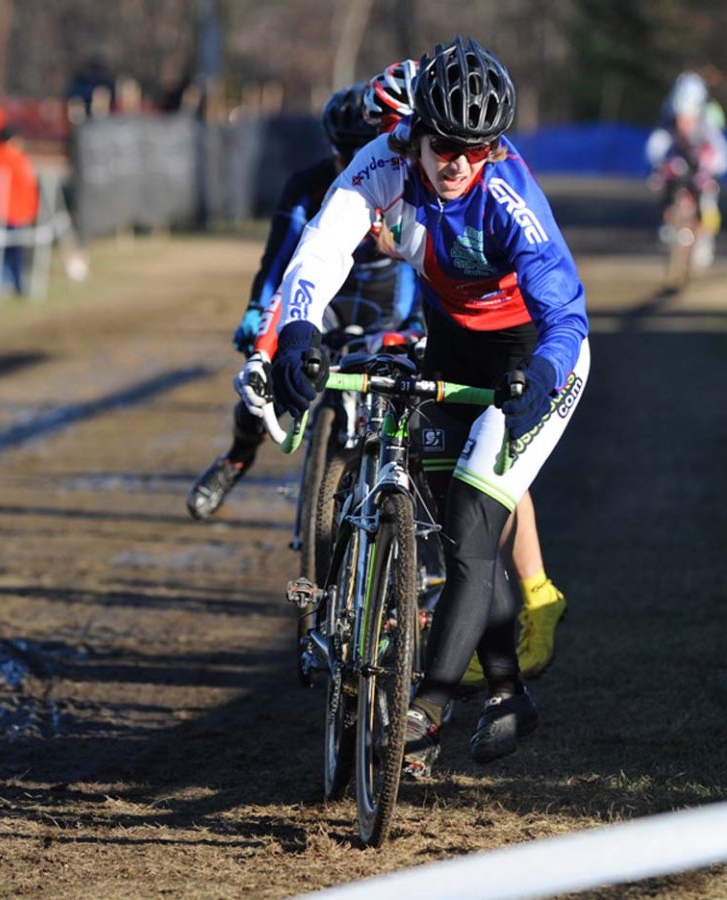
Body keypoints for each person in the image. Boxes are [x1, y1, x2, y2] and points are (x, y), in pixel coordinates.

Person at [246, 36, 589, 776]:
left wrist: (539, 374)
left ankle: (428, 706)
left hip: (535, 355)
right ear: (415, 132)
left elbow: (567, 315)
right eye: (443, 143)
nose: (456, 161)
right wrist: (300, 332)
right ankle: (505, 689)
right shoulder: (384, 162)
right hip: (453, 343)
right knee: (447, 514)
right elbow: (320, 252)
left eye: (475, 146)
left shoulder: (506, 195)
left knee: (472, 516)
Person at [185, 82, 420, 521]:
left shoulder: (404, 174)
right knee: (263, 385)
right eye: (342, 156)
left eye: (362, 151)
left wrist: (413, 325)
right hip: (325, 296)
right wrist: (257, 313)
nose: (353, 165)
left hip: (388, 296)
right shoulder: (307, 185)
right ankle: (236, 459)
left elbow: (422, 271)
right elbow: (279, 261)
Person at [645, 71, 727, 270]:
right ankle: (667, 223)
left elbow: (722, 155)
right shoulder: (668, 118)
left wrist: (708, 168)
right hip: (678, 162)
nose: (684, 124)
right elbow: (655, 146)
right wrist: (661, 165)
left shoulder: (709, 120)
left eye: (688, 118)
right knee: (665, 183)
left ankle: (705, 237)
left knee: (708, 194)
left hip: (701, 164)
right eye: (680, 118)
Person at [0, 124, 39, 295]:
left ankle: (7, 283)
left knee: (1, 253)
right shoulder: (15, 159)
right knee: (13, 253)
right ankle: (12, 284)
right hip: (12, 215)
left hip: (2, 214)